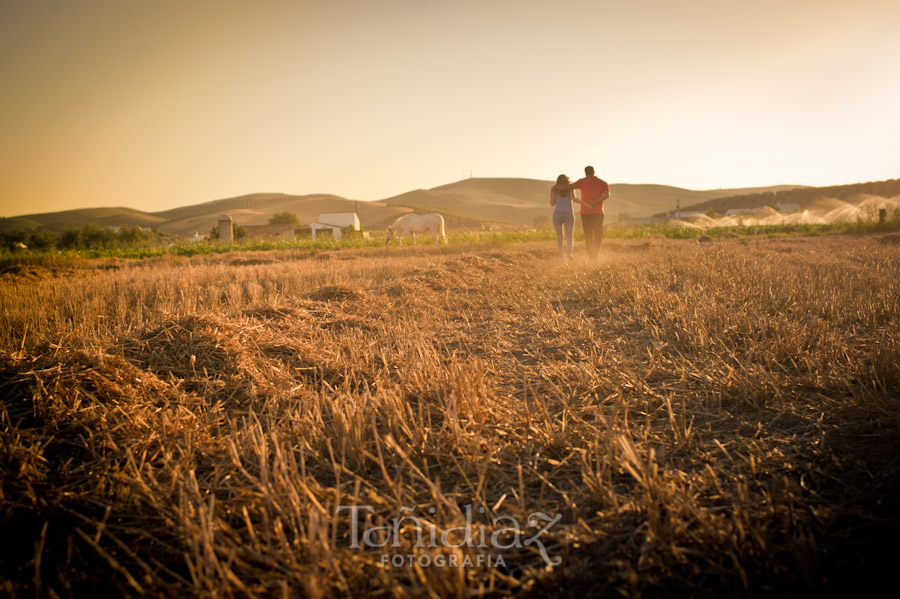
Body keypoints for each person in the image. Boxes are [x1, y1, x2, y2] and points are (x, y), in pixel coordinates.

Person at [554, 166, 609, 259]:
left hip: (585, 212)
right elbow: (607, 195)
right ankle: (595, 254)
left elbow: (568, 187)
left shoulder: (582, 181)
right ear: (594, 172)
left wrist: (555, 186)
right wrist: (595, 201)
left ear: (585, 173)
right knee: (598, 233)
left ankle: (591, 255)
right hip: (598, 212)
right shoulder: (603, 183)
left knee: (588, 234)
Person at [550, 174, 576, 261]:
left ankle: (561, 256)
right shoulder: (570, 189)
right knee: (569, 235)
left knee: (559, 236)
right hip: (568, 213)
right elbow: (573, 198)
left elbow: (552, 203)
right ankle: (569, 252)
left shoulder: (554, 189)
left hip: (557, 214)